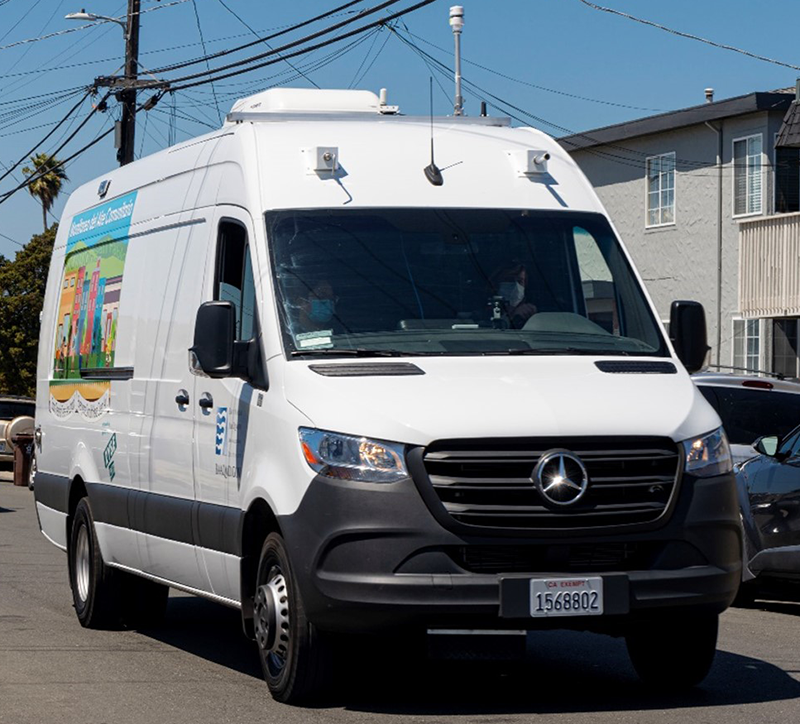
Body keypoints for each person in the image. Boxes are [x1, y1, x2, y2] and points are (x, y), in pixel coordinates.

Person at [491, 261, 537, 328]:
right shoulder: (484, 311)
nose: (515, 286)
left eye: (520, 281)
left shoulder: (530, 315)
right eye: (510, 280)